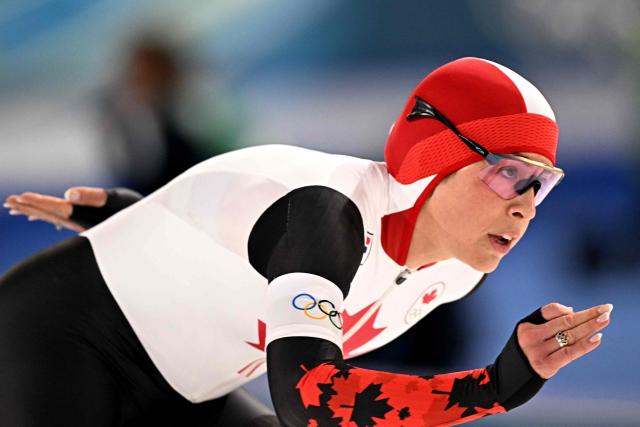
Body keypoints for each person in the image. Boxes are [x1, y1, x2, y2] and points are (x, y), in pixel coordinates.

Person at [2, 57, 612, 427]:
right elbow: (309, 401)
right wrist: (495, 386)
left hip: (184, 391)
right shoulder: (327, 213)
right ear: (434, 162)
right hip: (59, 344)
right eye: (508, 172)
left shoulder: (456, 267)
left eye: (541, 183)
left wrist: (130, 216)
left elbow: (232, 225)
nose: (525, 204)